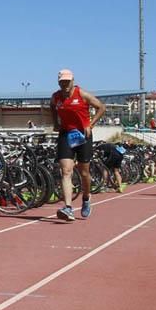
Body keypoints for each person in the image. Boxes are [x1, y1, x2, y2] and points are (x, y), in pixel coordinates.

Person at [51, 69, 106, 220]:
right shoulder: (56, 97)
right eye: (62, 81)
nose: (65, 84)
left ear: (73, 81)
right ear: (59, 82)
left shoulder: (82, 94)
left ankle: (86, 198)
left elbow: (101, 107)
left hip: (83, 135)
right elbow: (52, 107)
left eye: (67, 81)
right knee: (66, 171)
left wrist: (91, 124)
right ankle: (68, 207)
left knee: (84, 173)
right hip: (66, 134)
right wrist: (56, 123)